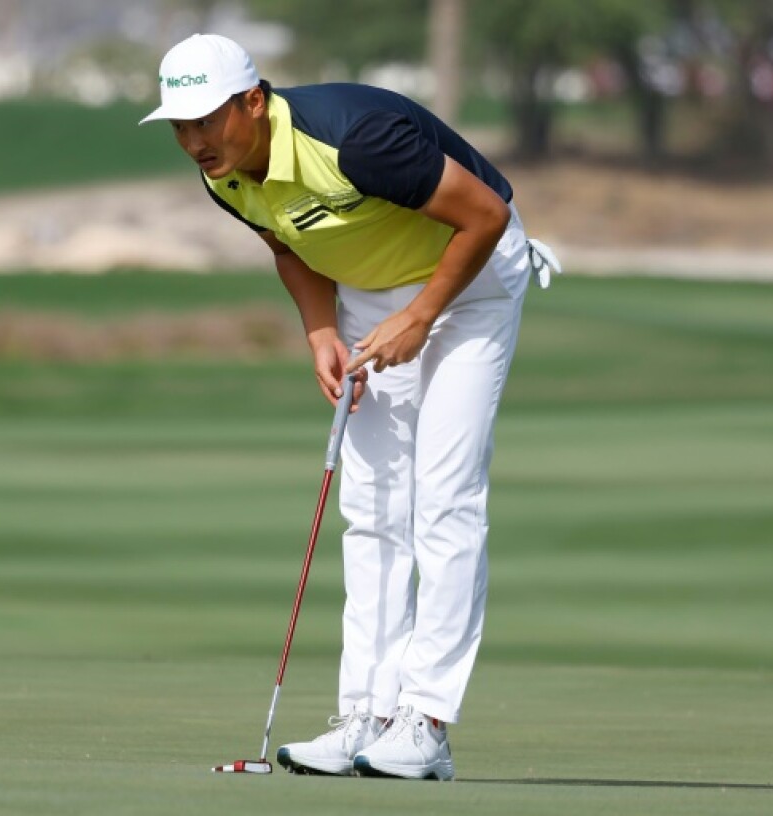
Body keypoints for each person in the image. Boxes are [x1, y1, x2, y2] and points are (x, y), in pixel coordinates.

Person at [140, 34, 558, 780]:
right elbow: (287, 245)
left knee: (444, 497)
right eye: (180, 124)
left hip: (471, 287)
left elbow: (486, 215)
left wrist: (422, 316)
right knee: (371, 504)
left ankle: (425, 723)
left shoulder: (354, 140)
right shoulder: (227, 177)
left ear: (253, 102)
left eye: (207, 119)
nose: (195, 140)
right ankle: (367, 712)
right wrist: (322, 329)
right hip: (369, 296)